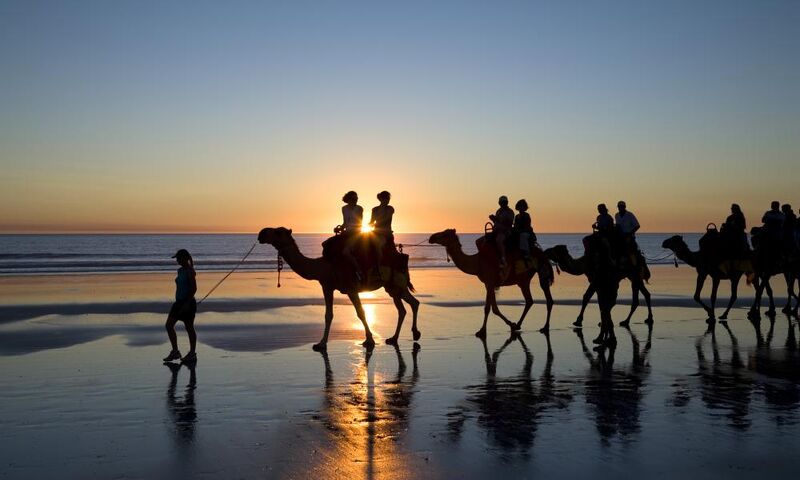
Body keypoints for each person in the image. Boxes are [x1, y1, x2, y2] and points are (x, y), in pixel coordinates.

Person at [163, 249, 198, 363]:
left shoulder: (190, 271)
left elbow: (193, 289)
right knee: (169, 325)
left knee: (189, 328)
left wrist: (187, 303)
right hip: (178, 303)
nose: (177, 260)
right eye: (177, 258)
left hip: (187, 303)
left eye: (178, 258)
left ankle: (192, 353)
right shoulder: (180, 271)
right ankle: (175, 351)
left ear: (184, 258)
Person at [340, 191, 364, 281]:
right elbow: (345, 222)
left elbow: (360, 223)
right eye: (354, 199)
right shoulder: (344, 208)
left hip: (356, 233)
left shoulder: (359, 208)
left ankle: (359, 271)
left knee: (346, 251)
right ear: (348, 199)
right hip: (346, 233)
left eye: (357, 198)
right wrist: (340, 228)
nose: (356, 200)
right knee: (328, 245)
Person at [369, 190, 395, 264]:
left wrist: (375, 224)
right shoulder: (375, 209)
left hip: (386, 233)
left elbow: (386, 219)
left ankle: (379, 265)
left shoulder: (390, 208)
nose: (387, 200)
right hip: (376, 233)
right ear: (380, 199)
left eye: (388, 199)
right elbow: (371, 221)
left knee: (379, 245)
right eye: (386, 199)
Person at [489, 195, 514, 269]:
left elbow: (509, 223)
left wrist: (496, 220)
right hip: (496, 231)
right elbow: (497, 222)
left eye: (504, 202)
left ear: (506, 203)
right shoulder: (498, 211)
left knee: (499, 240)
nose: (503, 204)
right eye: (501, 202)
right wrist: (493, 219)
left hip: (505, 231)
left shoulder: (510, 212)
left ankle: (503, 259)